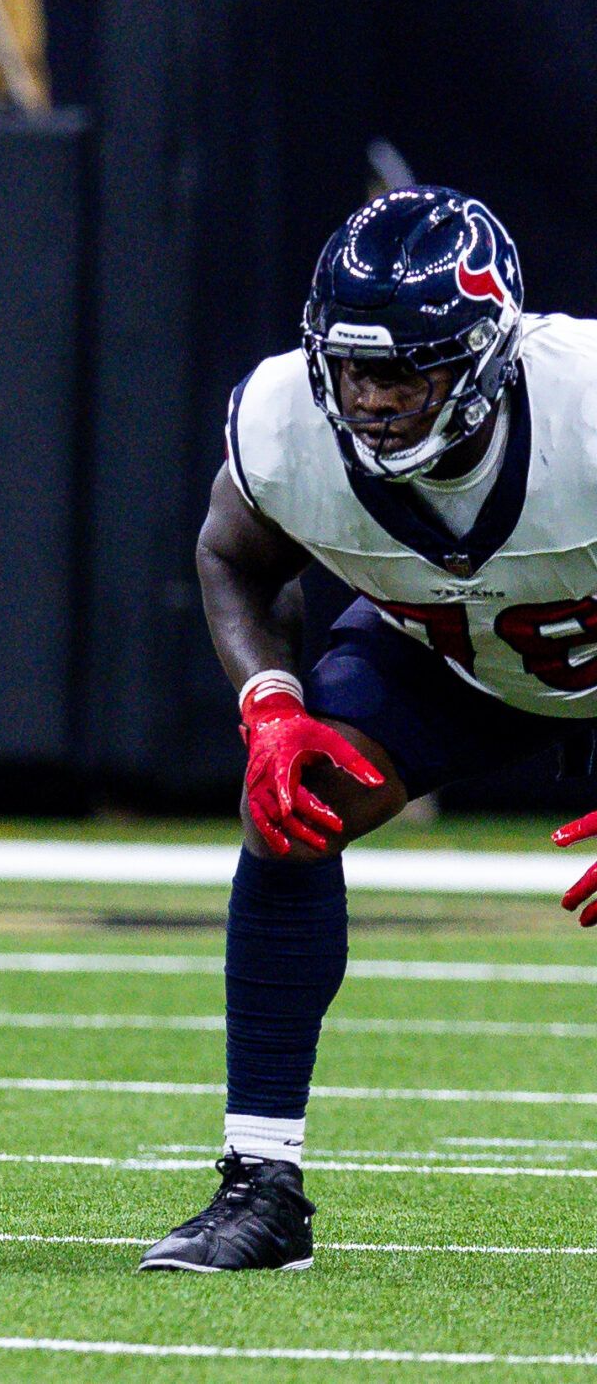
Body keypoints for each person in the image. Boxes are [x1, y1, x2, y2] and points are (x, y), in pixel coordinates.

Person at [144, 188, 597, 1271]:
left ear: (488, 356)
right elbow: (231, 556)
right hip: (450, 661)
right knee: (292, 808)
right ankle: (260, 1184)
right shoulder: (284, 425)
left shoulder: (584, 406)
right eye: (351, 368)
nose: (372, 397)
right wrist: (271, 706)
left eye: (404, 371)